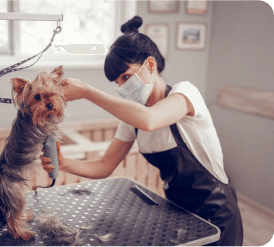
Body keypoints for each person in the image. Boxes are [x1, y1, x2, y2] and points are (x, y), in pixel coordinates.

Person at [40, 16, 243, 246]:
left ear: (150, 65)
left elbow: (151, 119)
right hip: (179, 216)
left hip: (217, 216)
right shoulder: (132, 119)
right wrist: (65, 163)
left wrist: (86, 91)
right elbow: (104, 166)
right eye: (117, 82)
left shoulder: (185, 93)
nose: (122, 87)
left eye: (126, 77)